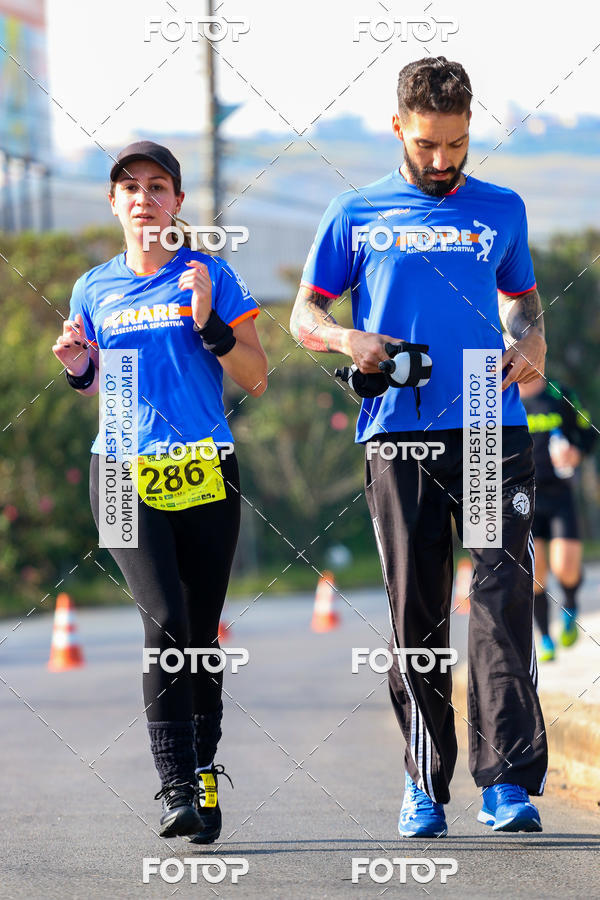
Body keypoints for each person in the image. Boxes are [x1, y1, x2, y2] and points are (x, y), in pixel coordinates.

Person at [291, 57, 548, 836]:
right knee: (419, 609)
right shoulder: (353, 211)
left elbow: (525, 303)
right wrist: (347, 338)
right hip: (399, 431)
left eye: (458, 146)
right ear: (398, 126)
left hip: (487, 415)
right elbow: (304, 314)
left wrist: (532, 342)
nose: (443, 163)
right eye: (429, 146)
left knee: (502, 597)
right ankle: (424, 786)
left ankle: (505, 781)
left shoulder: (502, 207)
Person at [52, 141, 268, 841]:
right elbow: (95, 381)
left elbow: (257, 377)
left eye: (158, 186)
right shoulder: (93, 287)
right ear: (113, 204)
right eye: (129, 187)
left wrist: (208, 323)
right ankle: (176, 783)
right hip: (119, 470)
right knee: (166, 621)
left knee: (200, 635)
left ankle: (204, 775)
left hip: (204, 467)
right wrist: (79, 367)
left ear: (177, 202)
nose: (144, 197)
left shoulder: (210, 274)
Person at [520, 376, 596, 661]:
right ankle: (546, 638)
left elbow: (588, 432)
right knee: (536, 575)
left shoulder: (559, 393)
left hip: (560, 495)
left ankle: (571, 605)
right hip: (524, 497)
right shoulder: (502, 395)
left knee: (565, 567)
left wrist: (576, 453)